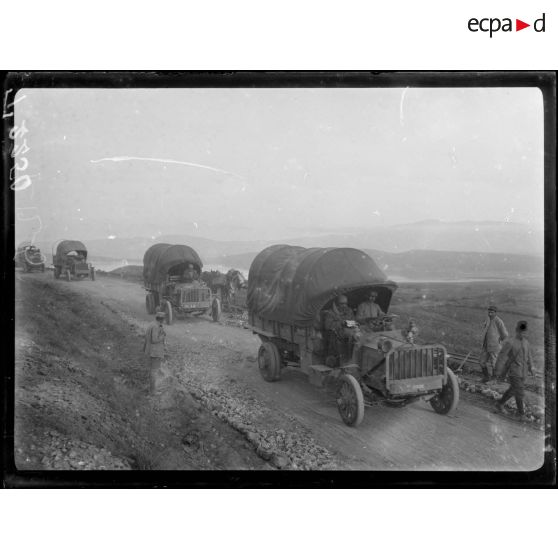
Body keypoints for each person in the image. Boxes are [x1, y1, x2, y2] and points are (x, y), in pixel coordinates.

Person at [494, 320, 535, 419]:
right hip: (514, 371)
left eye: (525, 332)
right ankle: (521, 414)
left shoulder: (526, 343)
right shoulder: (510, 342)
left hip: (523, 372)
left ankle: (499, 404)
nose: (524, 334)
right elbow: (502, 357)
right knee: (520, 391)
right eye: (521, 332)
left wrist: (532, 368)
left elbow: (529, 357)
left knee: (513, 390)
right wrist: (498, 371)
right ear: (517, 331)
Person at [323, 295, 359, 364]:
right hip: (337, 334)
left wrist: (352, 324)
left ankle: (354, 359)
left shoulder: (349, 310)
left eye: (345, 303)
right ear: (337, 303)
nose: (344, 305)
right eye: (341, 303)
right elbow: (327, 326)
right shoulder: (331, 312)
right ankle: (346, 360)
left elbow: (354, 321)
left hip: (350, 331)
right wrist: (341, 323)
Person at [479, 305, 508, 383]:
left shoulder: (498, 321)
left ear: (495, 313)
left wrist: (498, 340)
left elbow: (505, 334)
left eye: (492, 312)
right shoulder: (487, 319)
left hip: (494, 346)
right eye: (489, 312)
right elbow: (485, 330)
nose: (490, 313)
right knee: (482, 362)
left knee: (494, 363)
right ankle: (486, 377)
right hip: (486, 345)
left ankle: (494, 379)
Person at [143, 311, 167, 395]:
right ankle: (153, 391)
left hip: (151, 351)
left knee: (152, 370)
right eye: (164, 319)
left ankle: (151, 388)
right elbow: (154, 340)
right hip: (155, 352)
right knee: (154, 371)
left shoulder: (152, 324)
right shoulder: (156, 326)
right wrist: (162, 336)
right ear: (162, 319)